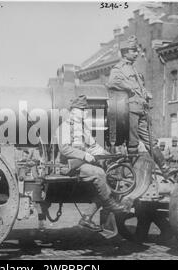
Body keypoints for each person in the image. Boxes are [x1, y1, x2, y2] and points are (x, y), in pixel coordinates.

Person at [55, 95, 132, 231]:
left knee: (110, 175)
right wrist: (85, 155)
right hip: (69, 166)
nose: (85, 112)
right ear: (73, 111)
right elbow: (65, 149)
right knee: (99, 173)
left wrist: (109, 156)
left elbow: (93, 146)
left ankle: (87, 218)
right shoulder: (64, 127)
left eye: (86, 109)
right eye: (82, 109)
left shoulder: (83, 127)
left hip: (82, 164)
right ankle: (110, 204)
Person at [106, 35, 169, 176]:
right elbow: (112, 82)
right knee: (132, 142)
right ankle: (130, 175)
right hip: (129, 110)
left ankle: (165, 168)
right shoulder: (119, 68)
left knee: (150, 140)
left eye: (136, 50)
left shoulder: (134, 69)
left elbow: (139, 87)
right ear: (125, 52)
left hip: (141, 109)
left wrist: (145, 93)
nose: (136, 53)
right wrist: (128, 86)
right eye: (133, 50)